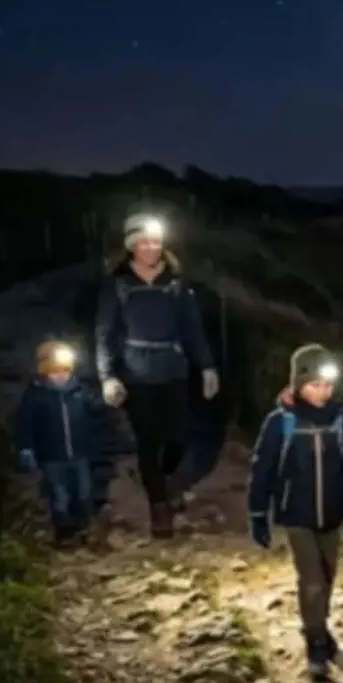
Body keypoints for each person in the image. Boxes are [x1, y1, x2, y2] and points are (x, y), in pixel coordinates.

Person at [94, 213, 219, 538]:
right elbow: (104, 333)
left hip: (174, 370)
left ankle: (164, 480)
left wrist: (206, 366)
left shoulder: (176, 282)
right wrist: (108, 375)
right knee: (148, 440)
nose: (151, 248)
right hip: (137, 374)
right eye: (144, 242)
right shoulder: (119, 284)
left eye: (156, 241)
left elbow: (192, 328)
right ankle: (159, 506)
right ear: (132, 245)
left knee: (177, 437)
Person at [247, 344, 343, 683]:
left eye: (327, 384)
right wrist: (257, 512)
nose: (323, 392)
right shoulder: (280, 422)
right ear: (298, 383)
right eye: (315, 385)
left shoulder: (340, 419)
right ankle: (315, 645)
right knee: (311, 582)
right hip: (296, 515)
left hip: (332, 514)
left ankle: (320, 629)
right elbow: (262, 468)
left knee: (327, 579)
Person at [15, 341, 98, 546]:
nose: (61, 375)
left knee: (84, 492)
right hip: (52, 456)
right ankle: (64, 534)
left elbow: (94, 416)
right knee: (59, 495)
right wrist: (27, 449)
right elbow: (25, 424)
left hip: (80, 453)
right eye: (54, 372)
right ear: (44, 372)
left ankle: (85, 530)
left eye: (65, 371)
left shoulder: (80, 391)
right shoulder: (36, 396)